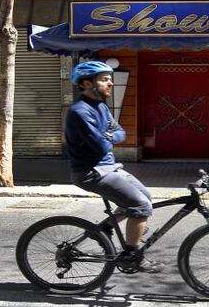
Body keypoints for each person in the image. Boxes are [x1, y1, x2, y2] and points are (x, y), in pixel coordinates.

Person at [65, 60, 164, 273]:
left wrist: (109, 135)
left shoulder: (100, 106)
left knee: (146, 196)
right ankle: (131, 255)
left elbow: (121, 132)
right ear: (86, 83)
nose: (111, 83)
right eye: (104, 79)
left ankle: (105, 228)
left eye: (110, 79)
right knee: (140, 207)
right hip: (91, 172)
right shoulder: (80, 112)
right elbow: (100, 145)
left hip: (108, 167)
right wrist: (109, 136)